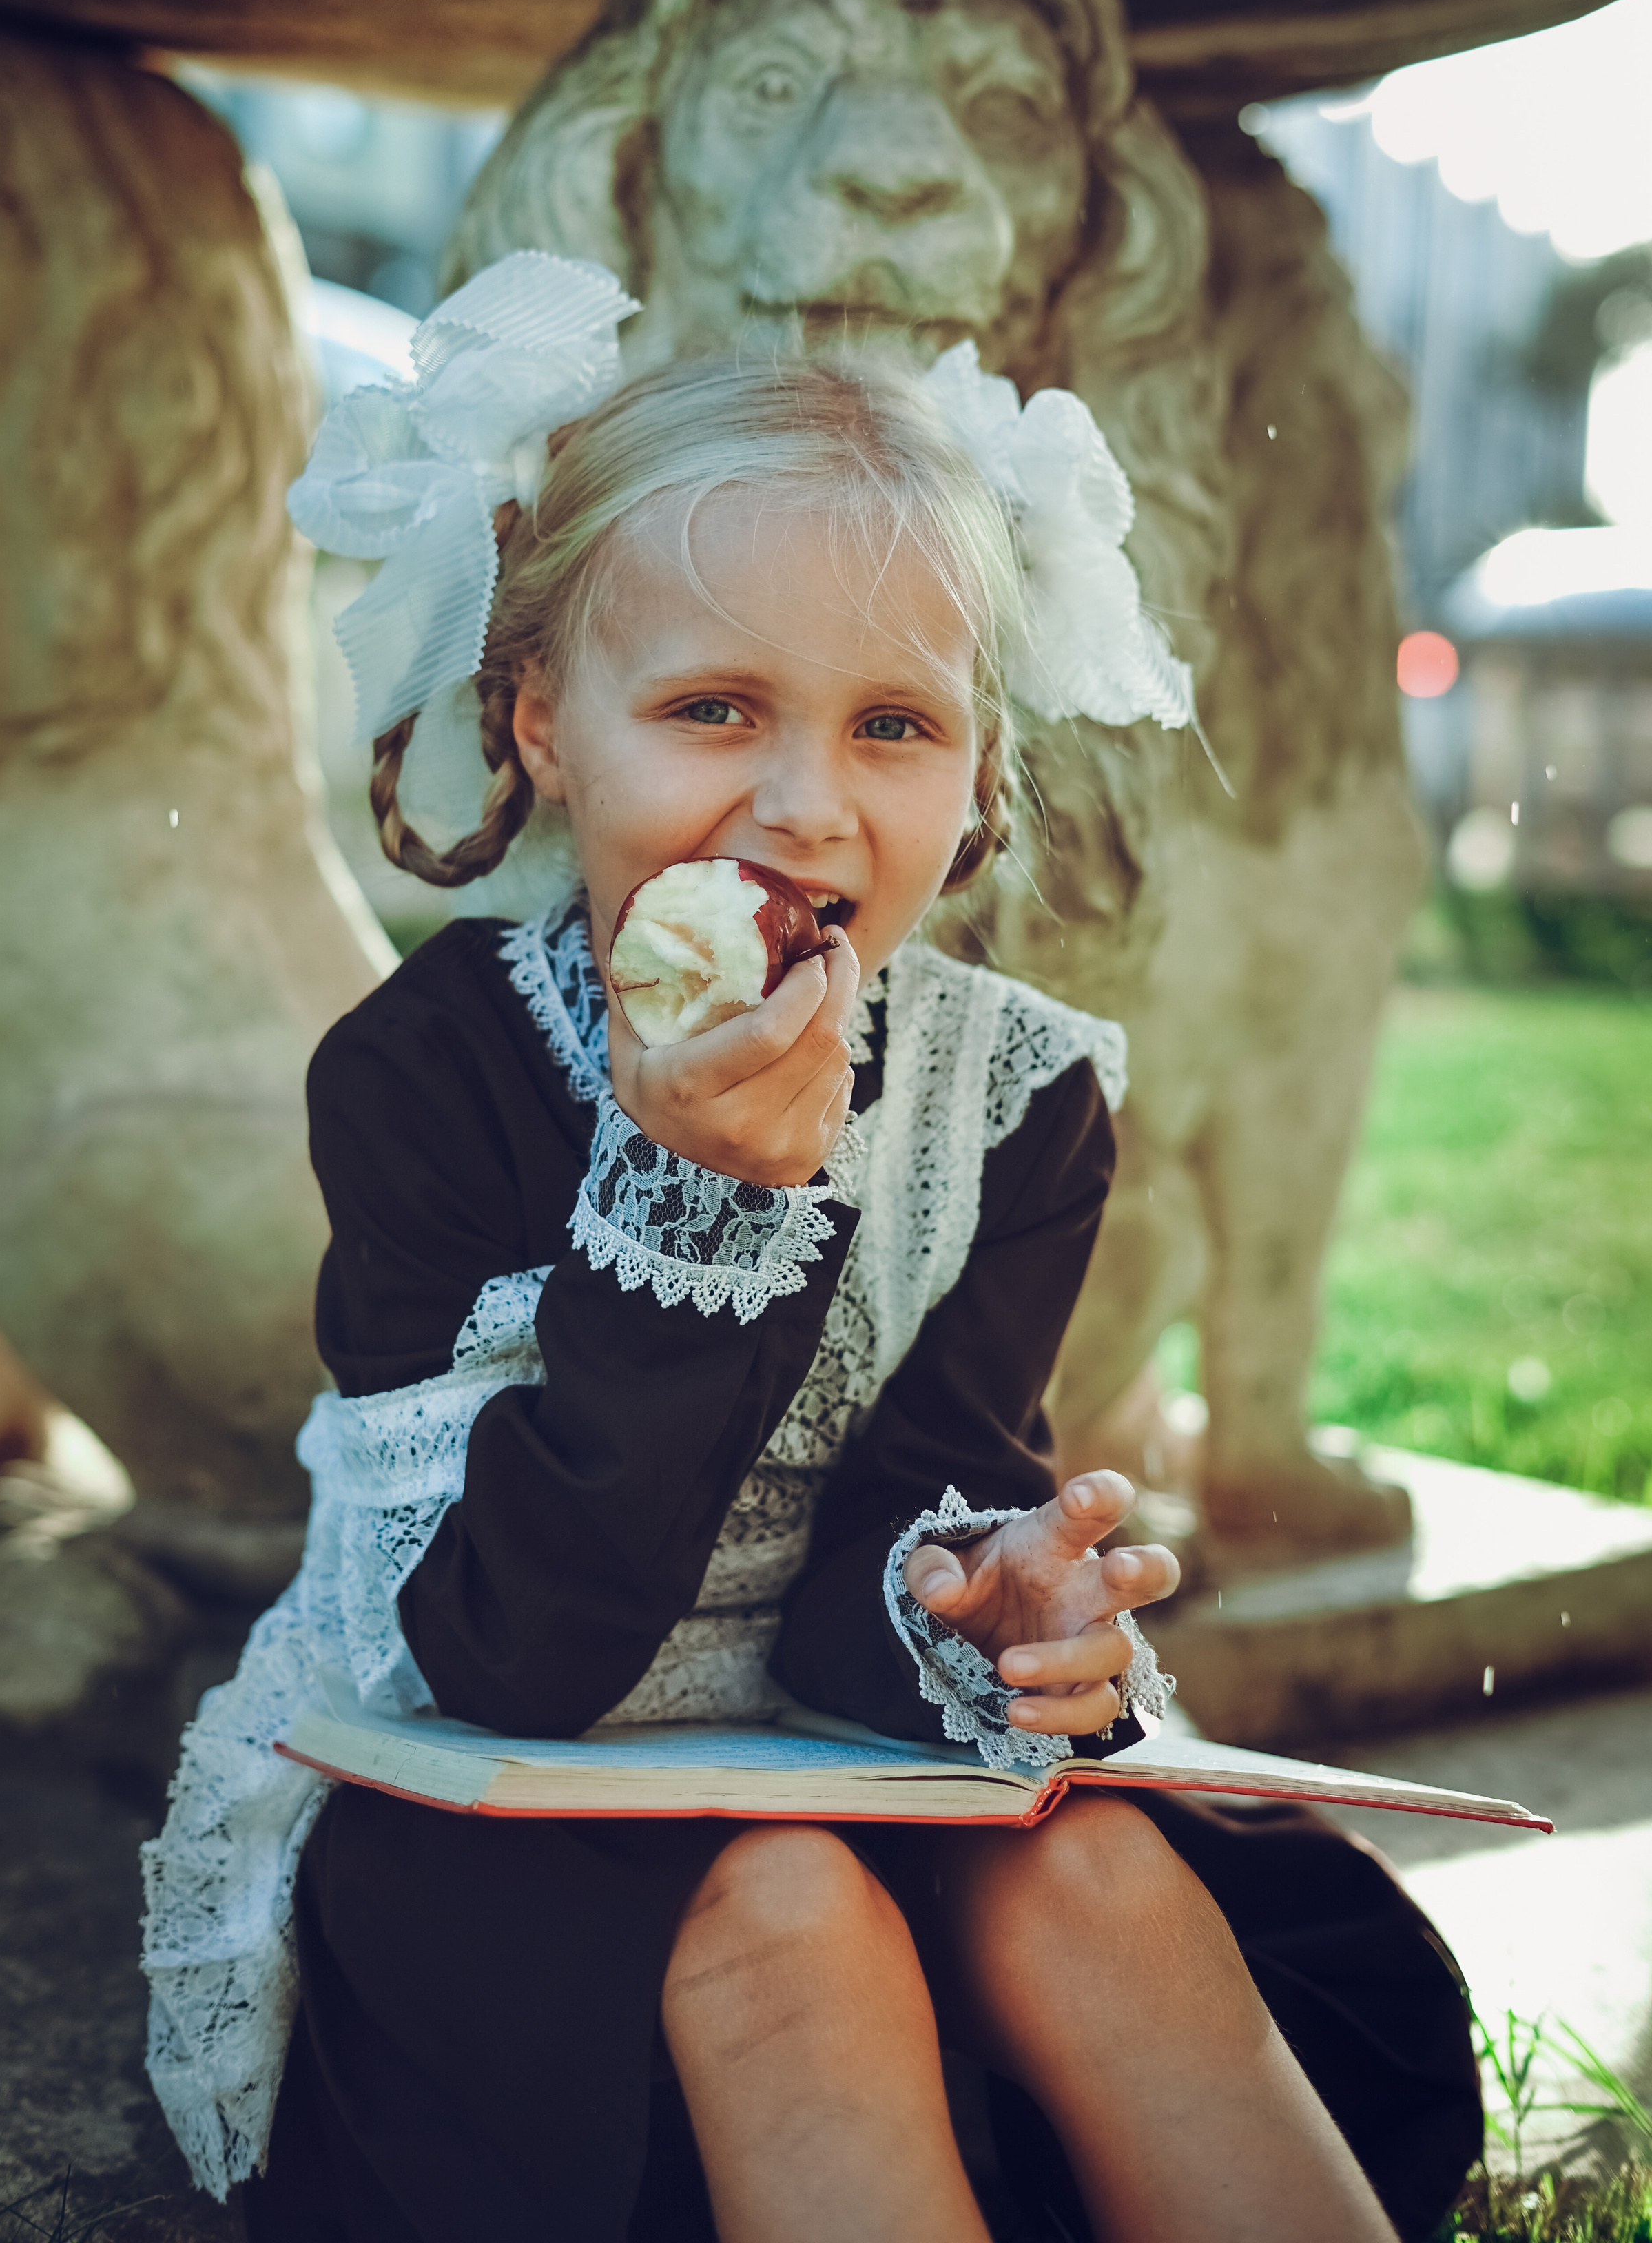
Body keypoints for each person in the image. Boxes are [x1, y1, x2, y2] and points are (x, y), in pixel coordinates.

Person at [141, 256, 1480, 2243]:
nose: (802, 806)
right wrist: (698, 1203)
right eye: (712, 708)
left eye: (892, 726)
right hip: (495, 1774)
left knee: (1095, 1885)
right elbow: (508, 1656)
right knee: (788, 1922)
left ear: (979, 779)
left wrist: (983, 1600)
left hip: (846, 1746)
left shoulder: (1019, 1105)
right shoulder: (427, 1079)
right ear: (546, 724)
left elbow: (900, 1531)